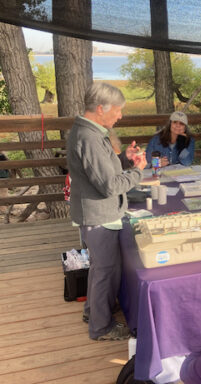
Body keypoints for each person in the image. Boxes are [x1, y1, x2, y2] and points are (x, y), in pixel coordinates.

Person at [67, 82, 147, 341]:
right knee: (105, 271)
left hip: (98, 213)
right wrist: (137, 171)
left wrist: (124, 158)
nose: (120, 116)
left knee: (101, 268)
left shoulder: (90, 131)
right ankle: (101, 327)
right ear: (101, 109)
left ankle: (93, 311)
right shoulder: (89, 137)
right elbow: (109, 185)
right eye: (118, 110)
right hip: (98, 215)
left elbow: (102, 169)